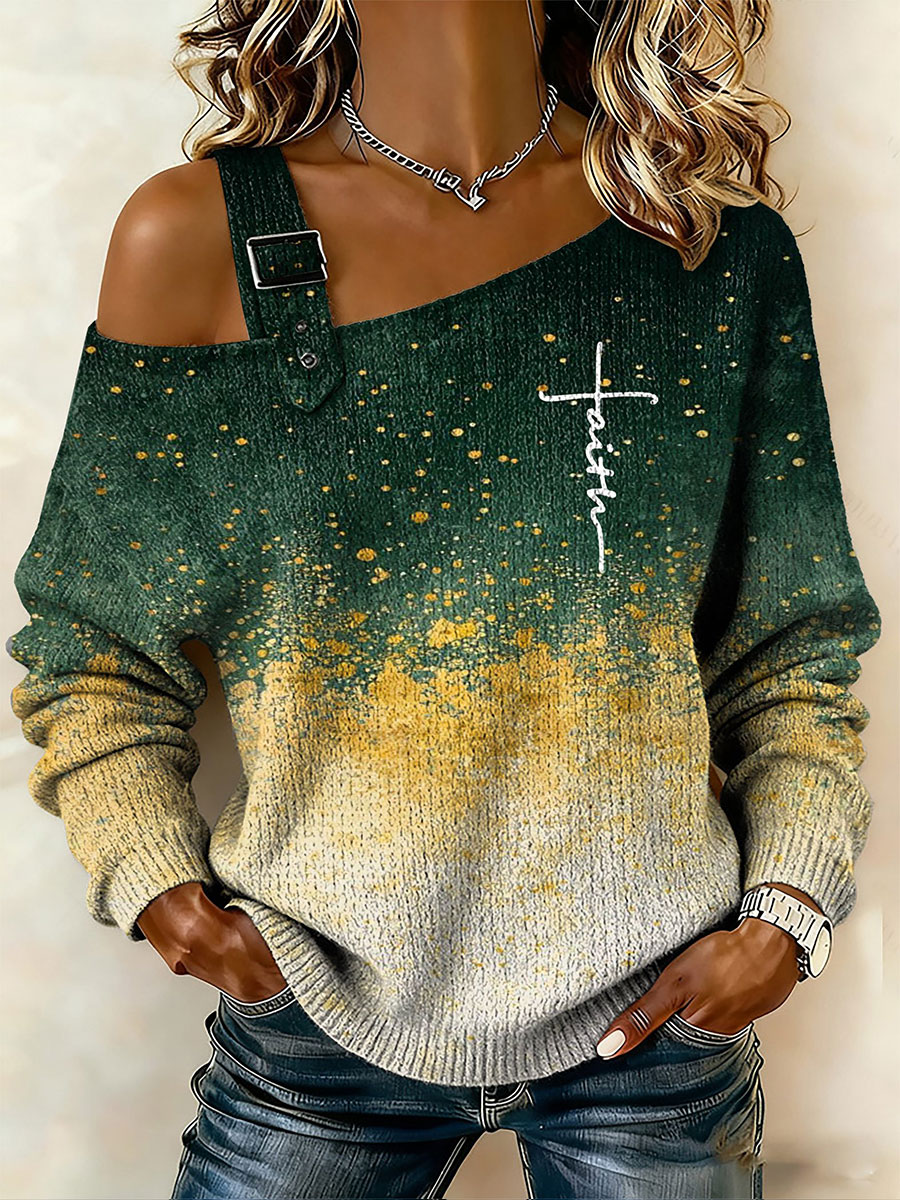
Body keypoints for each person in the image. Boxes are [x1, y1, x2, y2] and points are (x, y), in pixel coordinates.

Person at [6, 2, 883, 1198]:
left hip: (657, 1027)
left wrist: (787, 910)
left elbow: (789, 650)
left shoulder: (706, 251)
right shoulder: (199, 239)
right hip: (314, 1018)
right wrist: (155, 880)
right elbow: (92, 649)